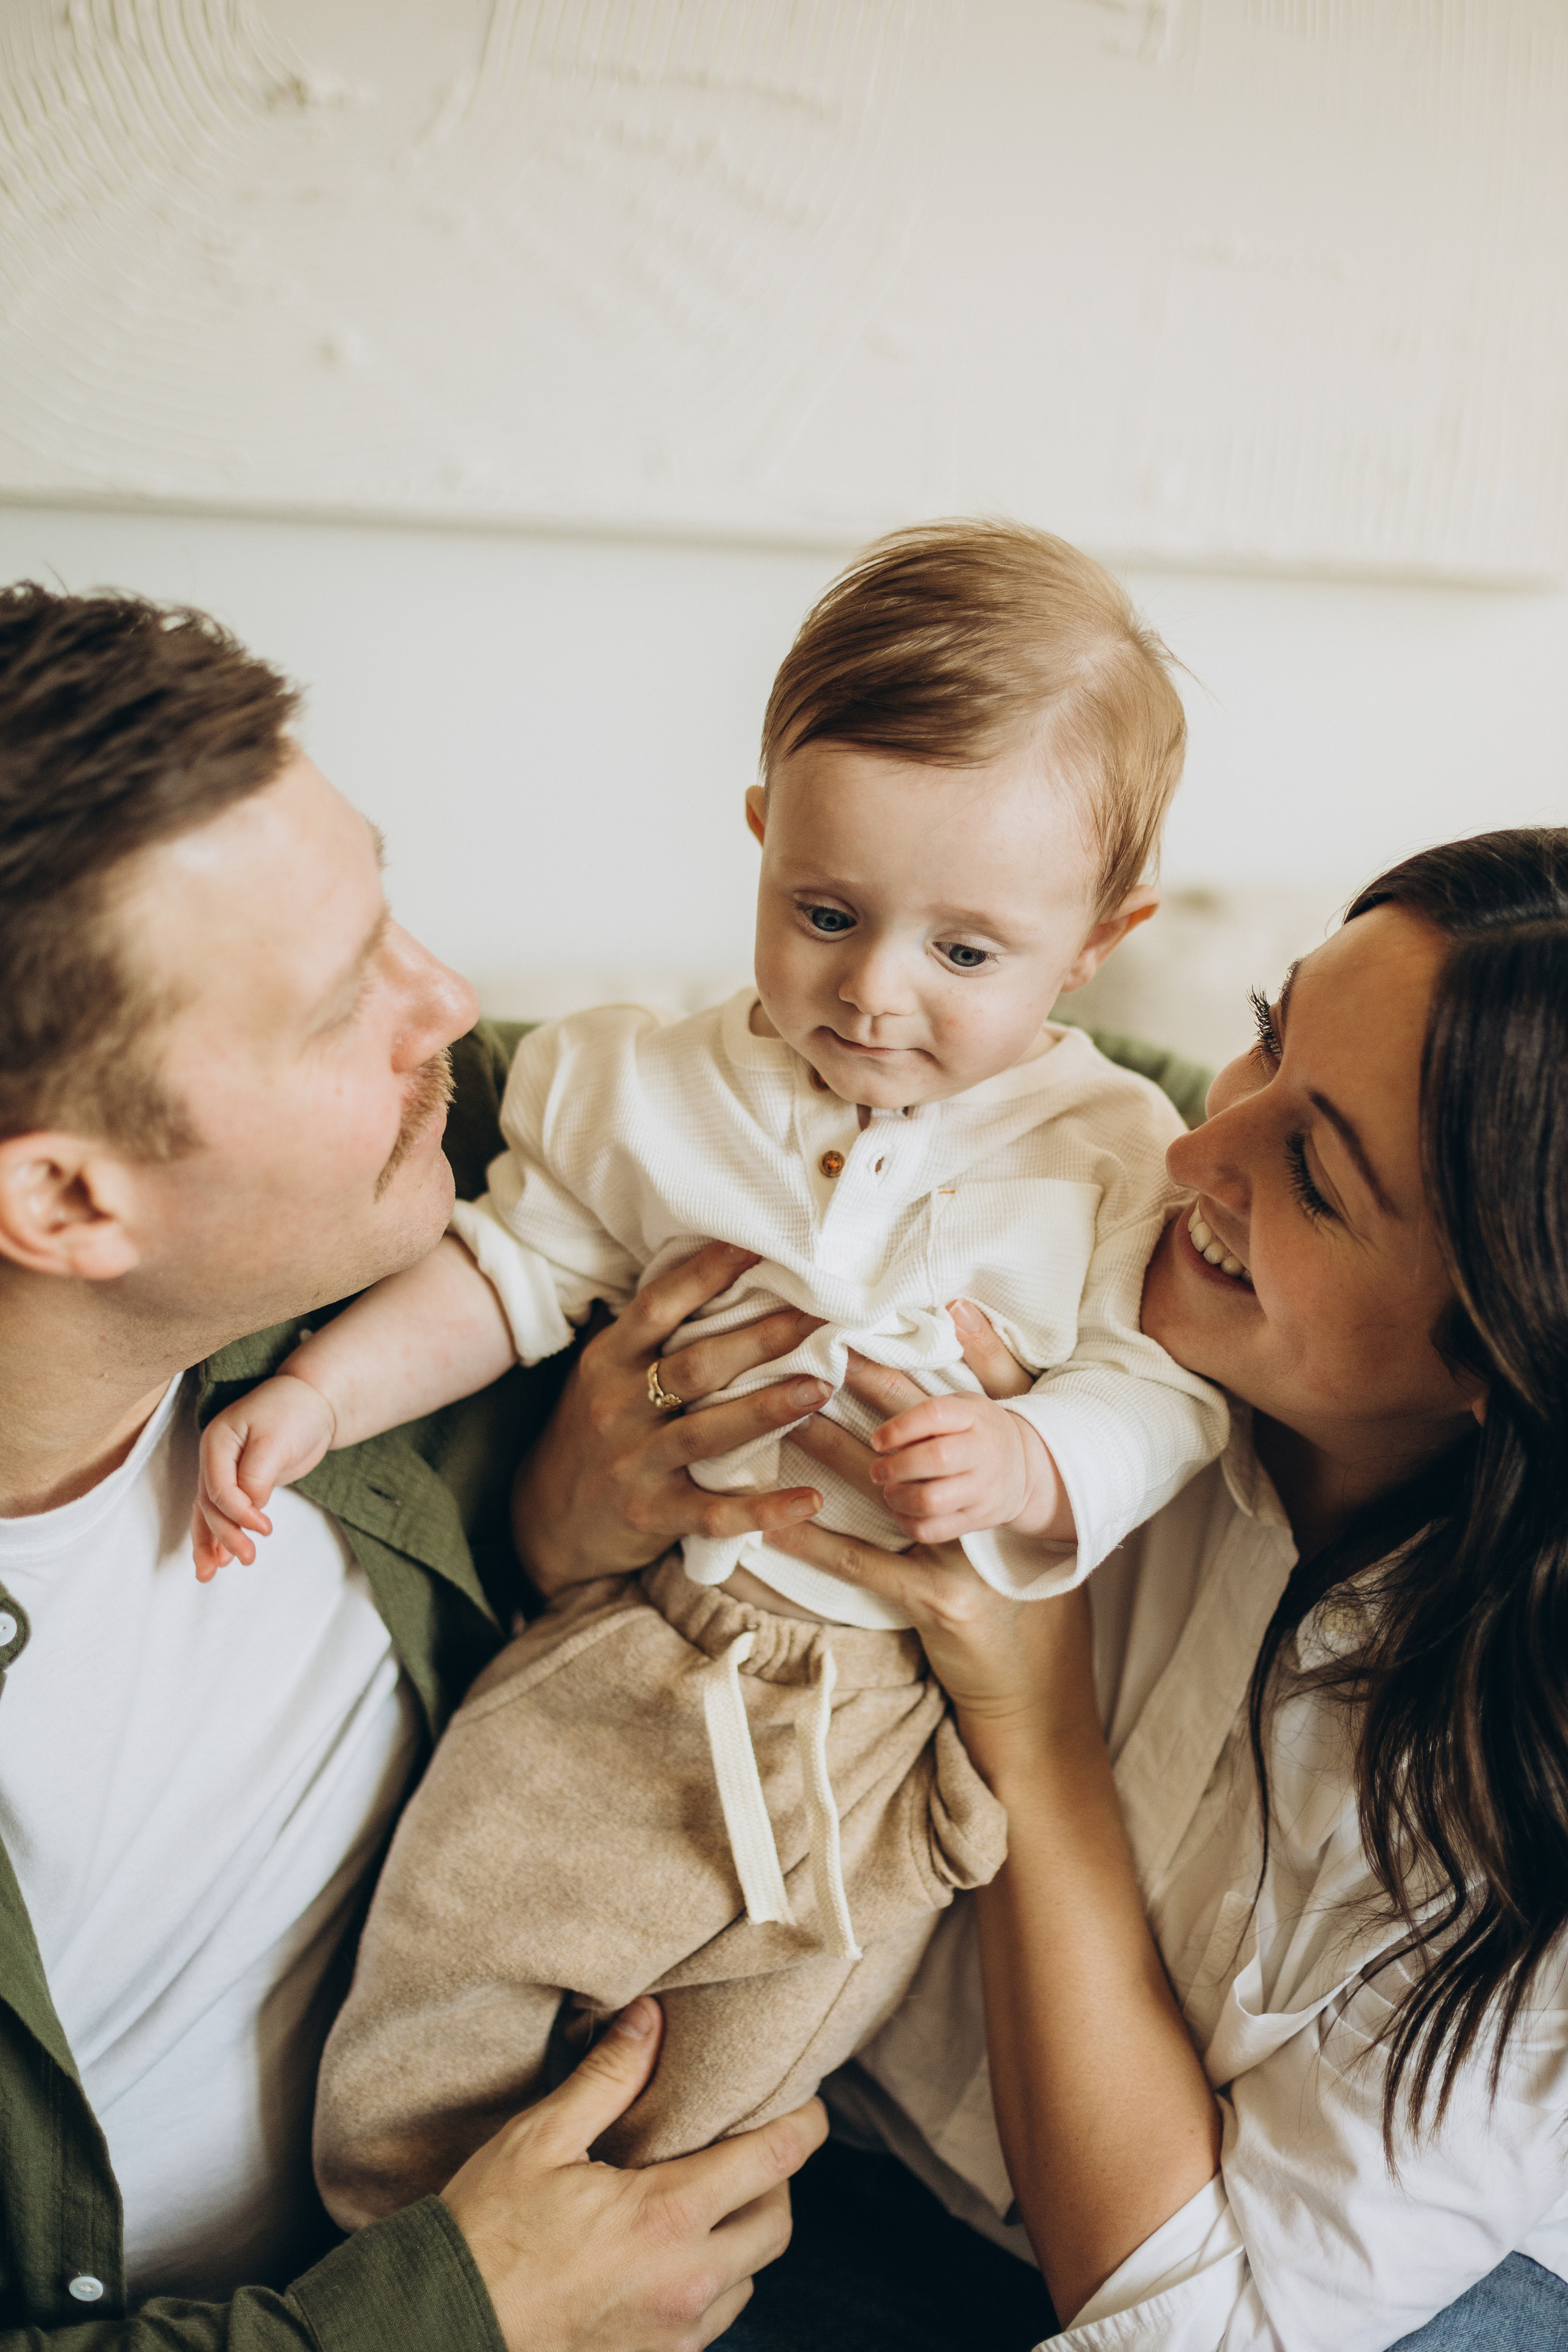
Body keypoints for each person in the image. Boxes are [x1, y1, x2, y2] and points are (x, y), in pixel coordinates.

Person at [194, 522, 1227, 2206]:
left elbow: (1162, 1392)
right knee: (466, 1916)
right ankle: (396, 2236)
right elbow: (510, 1270)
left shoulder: (1114, 1144)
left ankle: (629, 2252)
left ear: (1099, 944)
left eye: (966, 954)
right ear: (759, 838)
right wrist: (320, 1398)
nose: (876, 993)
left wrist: (1039, 1462)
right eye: (825, 911)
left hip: (889, 1714)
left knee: (755, 2050)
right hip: (640, 1646)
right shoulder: (654, 1088)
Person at [512, 826, 1568, 2350]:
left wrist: (1035, 1724)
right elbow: (580, 1542)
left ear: (1499, 1348)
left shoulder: (1511, 1801)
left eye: (1314, 1180)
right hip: (841, 2149)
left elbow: (1188, 2331)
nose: (1195, 1150)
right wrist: (573, 1489)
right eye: (1265, 1039)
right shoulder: (1047, 1207)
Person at [0, 581, 828, 2349]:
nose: (443, 997)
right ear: (66, 1199)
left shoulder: (441, 1169)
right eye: (334, 1004)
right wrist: (455, 2313)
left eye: (390, 904)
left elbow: (1060, 1115)